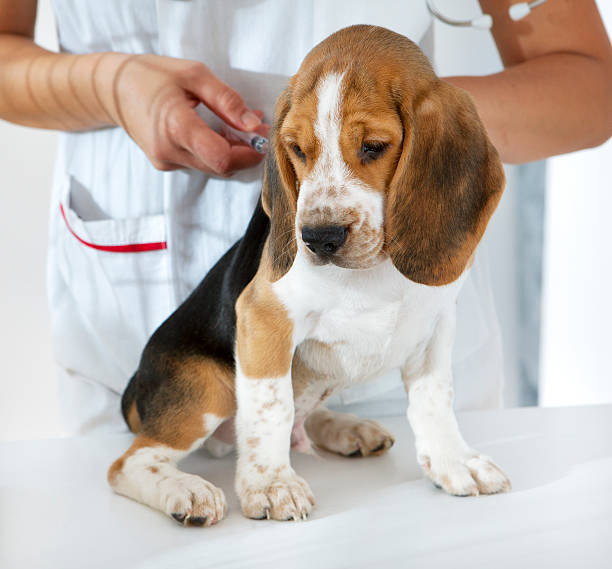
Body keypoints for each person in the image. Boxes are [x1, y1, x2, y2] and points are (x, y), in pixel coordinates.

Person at [0, 1, 610, 435]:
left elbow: (587, 83)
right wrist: (108, 84)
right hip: (127, 314)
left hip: (389, 348)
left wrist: (398, 125)